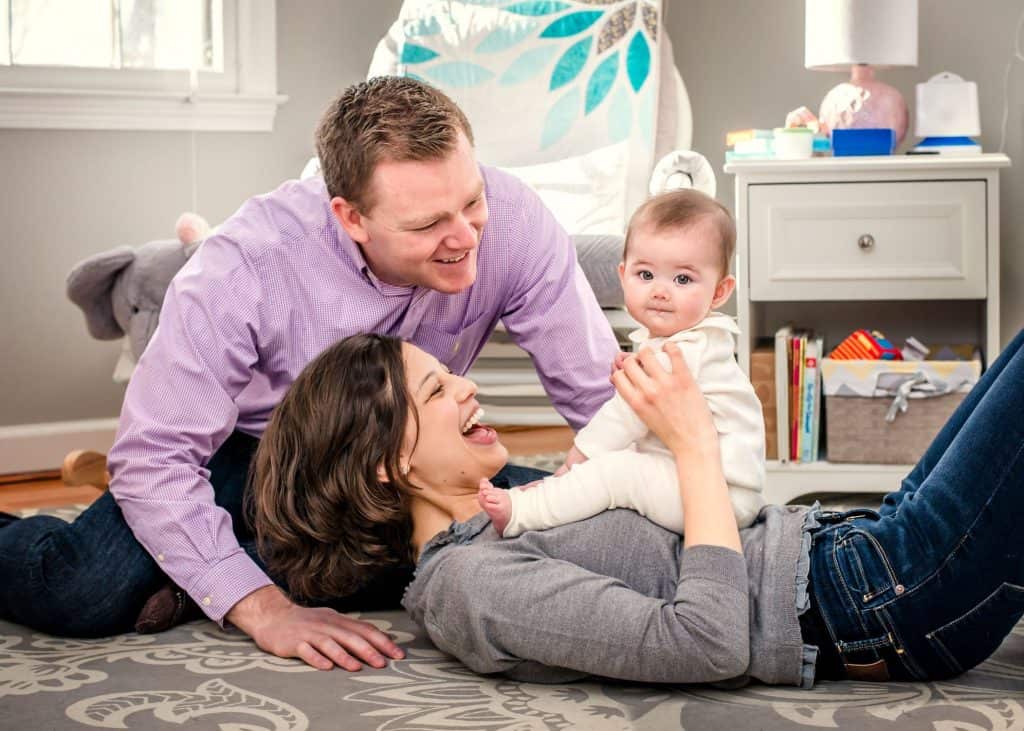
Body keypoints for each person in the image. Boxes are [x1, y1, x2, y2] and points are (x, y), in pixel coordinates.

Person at [0, 76, 620, 672]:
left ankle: (205, 574)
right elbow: (153, 458)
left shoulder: (516, 222)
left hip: (405, 456)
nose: (465, 237)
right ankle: (226, 565)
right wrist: (262, 608)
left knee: (558, 532)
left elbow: (599, 399)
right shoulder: (244, 264)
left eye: (472, 201)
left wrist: (647, 485)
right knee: (82, 591)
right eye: (427, 224)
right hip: (251, 453)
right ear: (351, 217)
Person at [251, 329, 1024, 685]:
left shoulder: (511, 504)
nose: (469, 386)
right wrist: (693, 445)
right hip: (880, 600)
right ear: (390, 465)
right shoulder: (468, 583)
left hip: (857, 551)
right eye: (437, 389)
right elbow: (708, 643)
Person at [478, 189, 765, 538]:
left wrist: (571, 466)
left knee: (615, 472)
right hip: (701, 479)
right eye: (646, 275)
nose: (660, 291)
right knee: (621, 462)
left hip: (720, 495)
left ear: (719, 291)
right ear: (623, 273)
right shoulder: (688, 342)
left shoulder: (687, 348)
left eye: (683, 279)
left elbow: (621, 418)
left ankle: (525, 512)